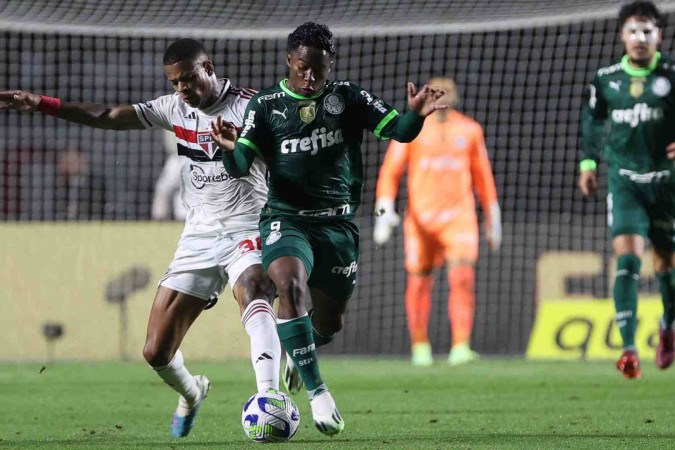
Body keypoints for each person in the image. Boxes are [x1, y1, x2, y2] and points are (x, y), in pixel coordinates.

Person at [0, 38, 282, 437]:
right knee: (155, 351)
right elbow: (108, 114)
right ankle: (191, 392)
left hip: (248, 226)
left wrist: (251, 150)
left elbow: (289, 159)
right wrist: (42, 103)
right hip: (198, 236)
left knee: (253, 290)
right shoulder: (174, 108)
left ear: (209, 68)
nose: (182, 89)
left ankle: (270, 398)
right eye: (174, 83)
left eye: (188, 79)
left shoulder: (253, 106)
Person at [215, 22, 447, 435]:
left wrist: (415, 115)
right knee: (288, 286)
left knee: (330, 324)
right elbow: (240, 167)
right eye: (303, 67)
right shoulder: (266, 105)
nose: (309, 77)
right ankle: (319, 392)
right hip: (286, 221)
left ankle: (298, 353)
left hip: (338, 226)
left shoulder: (348, 98)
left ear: (330, 66)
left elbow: (400, 133)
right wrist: (227, 148)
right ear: (289, 61)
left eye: (318, 70)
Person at [373, 77, 501, 367]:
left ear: (456, 95)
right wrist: (383, 212)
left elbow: (483, 176)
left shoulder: (469, 130)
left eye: (449, 90)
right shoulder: (412, 128)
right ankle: (420, 347)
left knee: (463, 278)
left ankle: (461, 346)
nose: (443, 94)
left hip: (459, 218)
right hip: (420, 220)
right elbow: (391, 171)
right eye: (435, 90)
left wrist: (493, 216)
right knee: (419, 282)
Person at [578, 1, 675, 379]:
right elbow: (592, 122)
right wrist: (588, 164)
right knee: (628, 259)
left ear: (659, 36)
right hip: (625, 182)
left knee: (665, 266)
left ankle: (668, 326)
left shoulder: (671, 74)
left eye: (647, 31)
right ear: (622, 35)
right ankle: (630, 348)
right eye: (633, 31)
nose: (639, 38)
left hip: (666, 183)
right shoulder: (605, 80)